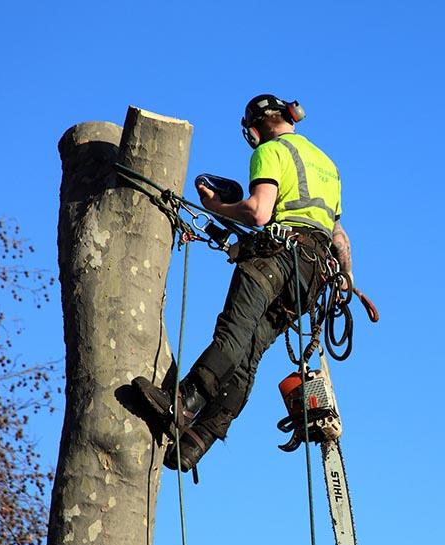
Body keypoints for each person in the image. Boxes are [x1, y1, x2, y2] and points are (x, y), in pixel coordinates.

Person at [133, 94, 353, 471]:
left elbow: (258, 211)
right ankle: (199, 440)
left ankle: (182, 402)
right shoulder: (328, 165)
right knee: (249, 355)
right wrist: (345, 281)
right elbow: (340, 238)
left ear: (258, 125)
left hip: (276, 259)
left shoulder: (271, 151)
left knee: (234, 334)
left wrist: (218, 207)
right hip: (313, 278)